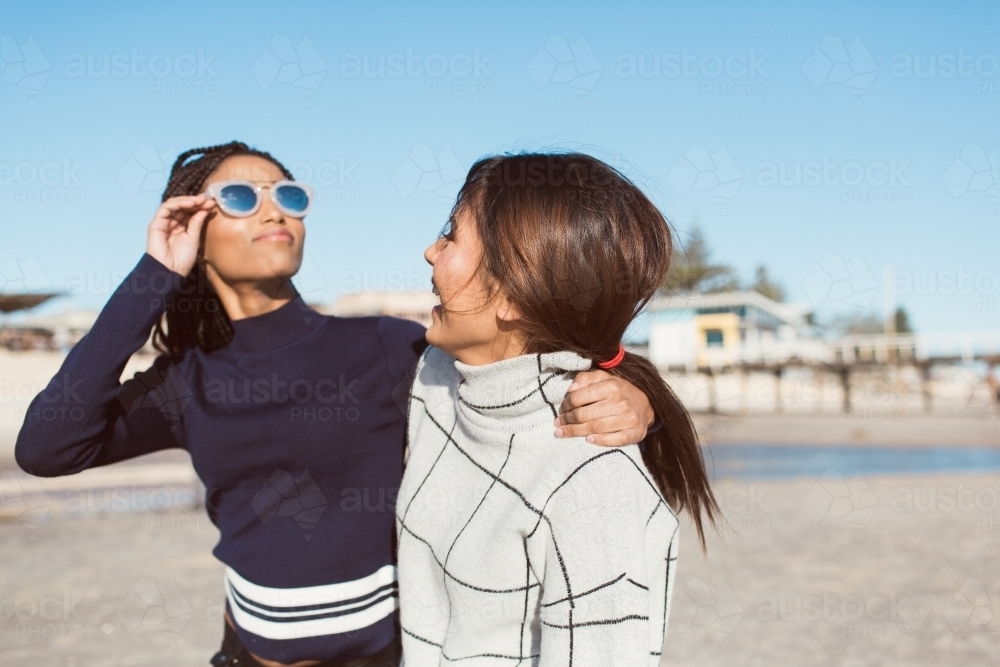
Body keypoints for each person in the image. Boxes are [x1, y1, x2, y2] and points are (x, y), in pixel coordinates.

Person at [14, 142, 657, 667]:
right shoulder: (187, 382)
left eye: (288, 196)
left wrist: (635, 392)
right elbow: (47, 448)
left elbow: (522, 366)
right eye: (241, 198)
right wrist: (155, 273)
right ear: (194, 231)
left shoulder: (380, 346)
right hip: (244, 654)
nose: (275, 213)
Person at [396, 153, 719, 665]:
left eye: (452, 235)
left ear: (512, 296)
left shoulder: (592, 479)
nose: (430, 251)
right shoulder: (436, 375)